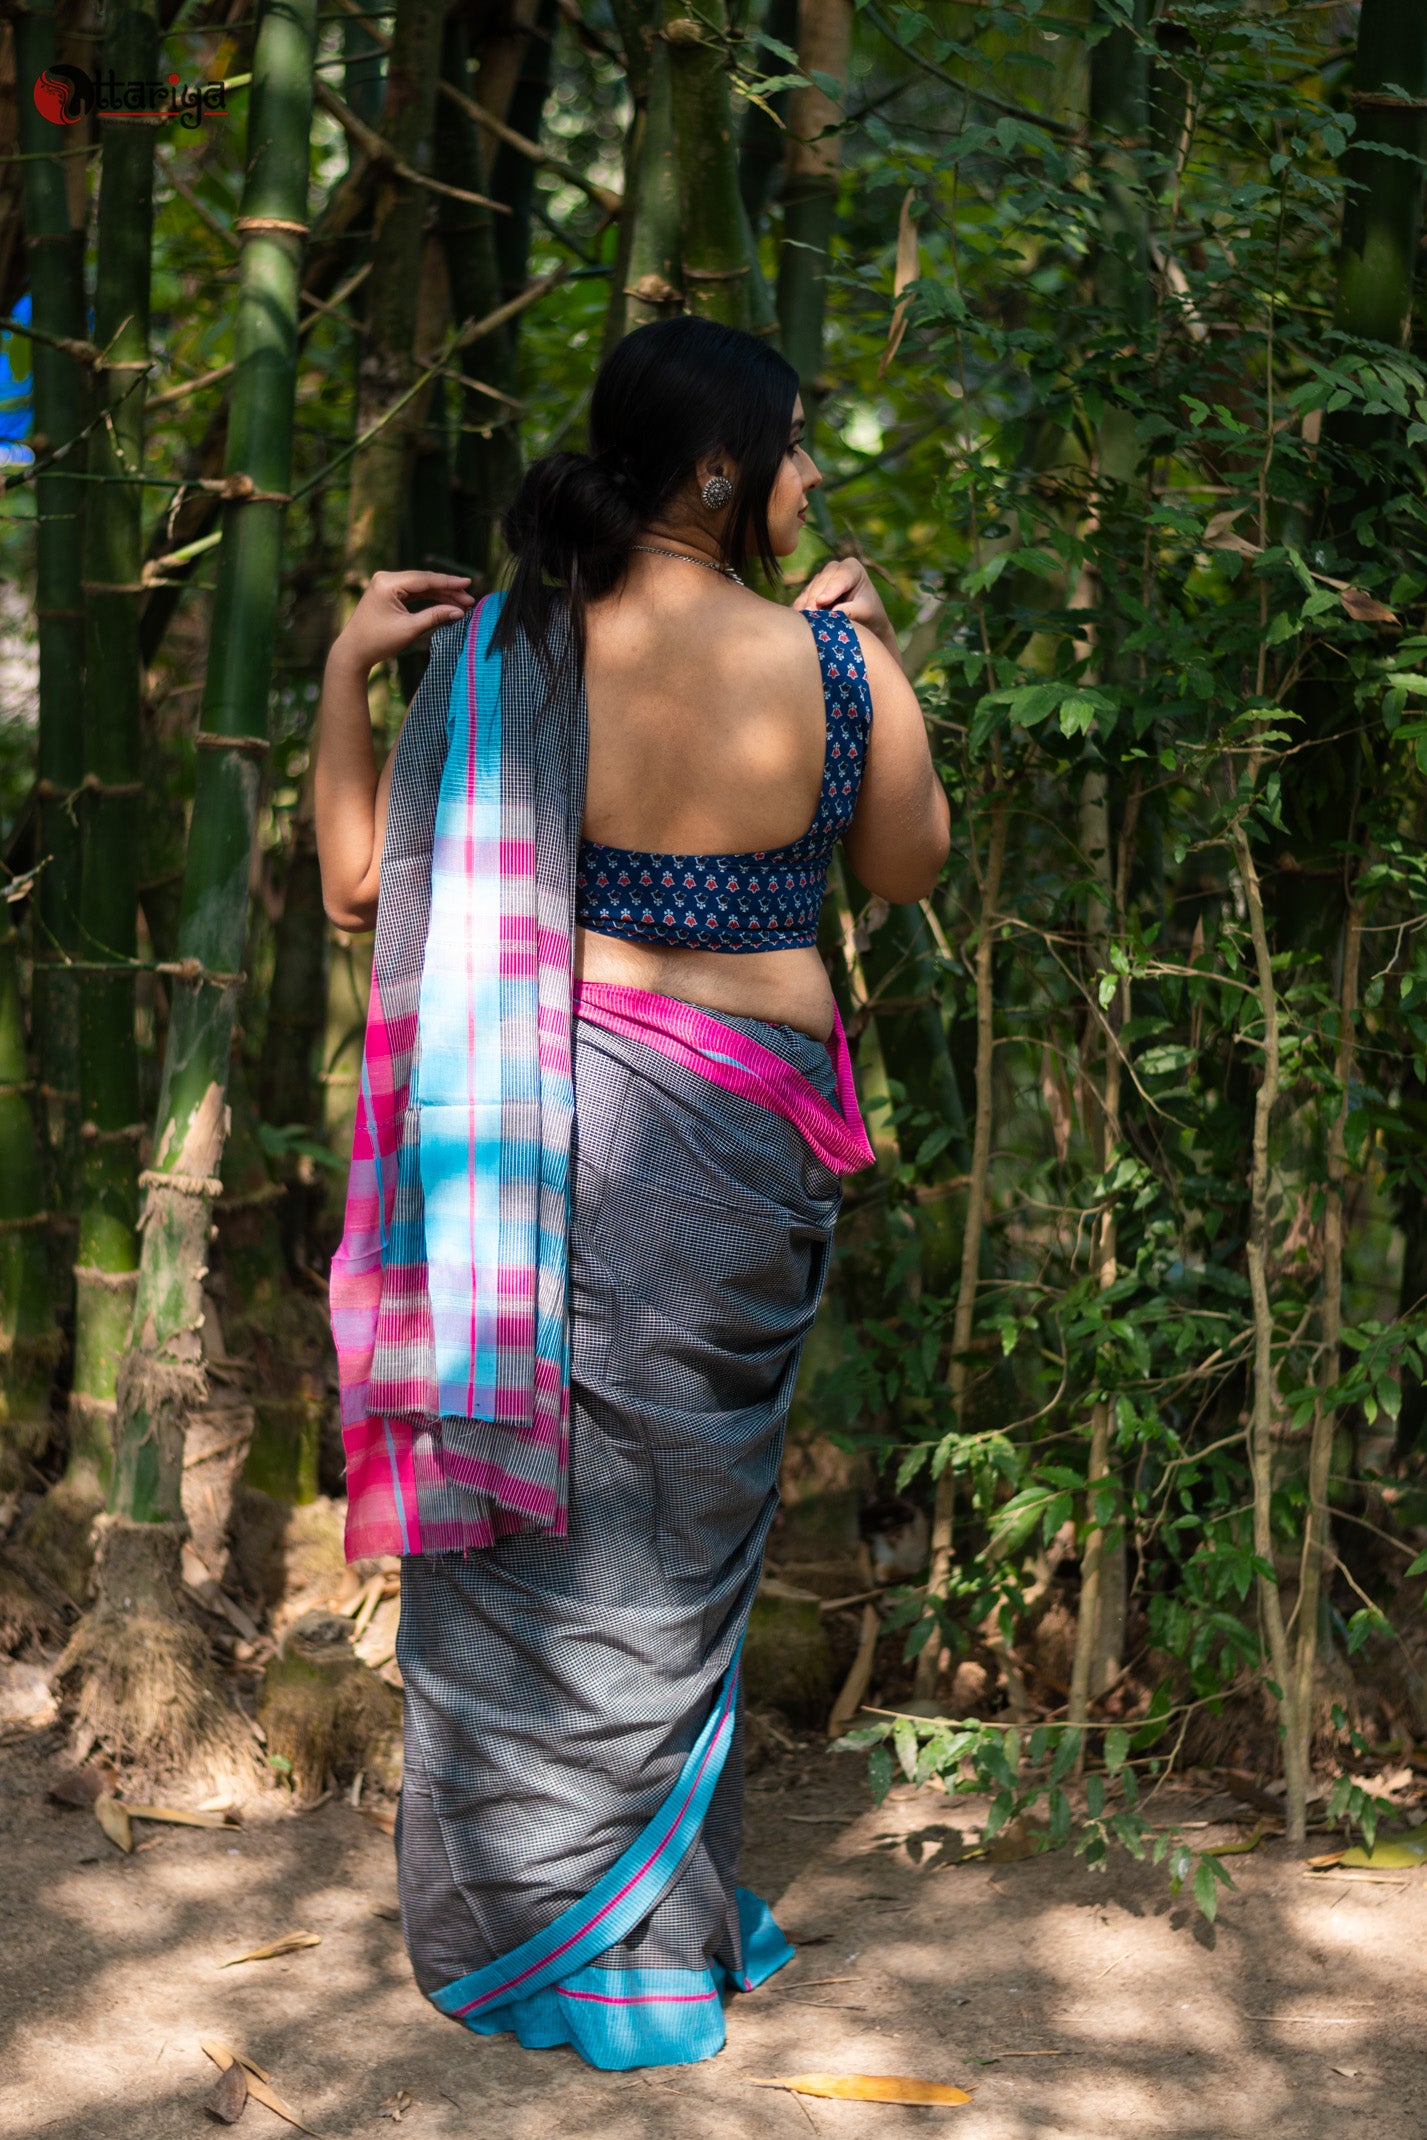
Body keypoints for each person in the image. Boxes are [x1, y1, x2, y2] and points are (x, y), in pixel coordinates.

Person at [315, 316, 949, 2072]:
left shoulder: (512, 648)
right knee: (670, 1551)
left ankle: (534, 1925)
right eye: (800, 448)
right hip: (742, 1150)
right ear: (728, 473)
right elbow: (905, 866)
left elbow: (362, 887)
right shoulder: (825, 667)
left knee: (539, 1541)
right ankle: (641, 1920)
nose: (815, 478)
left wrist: (345, 673)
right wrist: (879, 657)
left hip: (536, 1136)